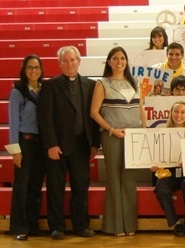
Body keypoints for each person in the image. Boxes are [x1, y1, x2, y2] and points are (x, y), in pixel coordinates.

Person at [37, 46, 100, 240]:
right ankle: (57, 227)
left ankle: (81, 226)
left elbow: (94, 116)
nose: (69, 64)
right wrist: (51, 144)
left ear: (79, 61)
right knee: (55, 187)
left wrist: (94, 143)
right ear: (59, 63)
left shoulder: (91, 85)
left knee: (81, 187)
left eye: (72, 60)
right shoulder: (50, 86)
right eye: (65, 61)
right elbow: (45, 118)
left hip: (82, 145)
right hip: (58, 146)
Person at [89, 47, 145, 237]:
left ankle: (129, 224)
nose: (119, 61)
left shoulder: (134, 82)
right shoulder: (102, 83)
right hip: (112, 135)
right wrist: (111, 129)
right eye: (115, 58)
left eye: (122, 58)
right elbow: (94, 112)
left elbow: (141, 107)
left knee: (130, 179)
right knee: (113, 178)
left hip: (134, 136)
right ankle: (114, 226)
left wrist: (143, 130)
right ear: (109, 61)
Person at [7, 54, 47, 241]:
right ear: (24, 70)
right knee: (21, 186)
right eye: (30, 67)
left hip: (41, 144)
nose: (33, 71)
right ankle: (18, 227)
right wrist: (16, 150)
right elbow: (13, 121)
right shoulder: (17, 92)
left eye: (37, 67)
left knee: (35, 186)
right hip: (25, 142)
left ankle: (32, 224)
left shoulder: (44, 90)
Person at [152, 101, 185, 236]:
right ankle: (175, 222)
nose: (179, 115)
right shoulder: (162, 133)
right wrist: (154, 165)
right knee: (160, 188)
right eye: (176, 111)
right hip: (170, 172)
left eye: (183, 112)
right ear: (171, 113)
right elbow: (157, 157)